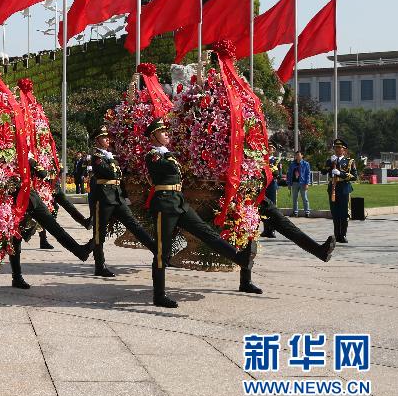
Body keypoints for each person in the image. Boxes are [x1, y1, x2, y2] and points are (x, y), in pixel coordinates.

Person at [145, 118, 254, 308]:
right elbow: (166, 168)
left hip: (178, 201)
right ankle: (159, 295)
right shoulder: (153, 155)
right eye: (162, 132)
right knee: (163, 251)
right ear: (153, 137)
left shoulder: (166, 154)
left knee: (205, 232)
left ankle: (239, 257)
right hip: (164, 204)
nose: (167, 134)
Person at [8, 156, 94, 289]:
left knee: (53, 226)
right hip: (16, 199)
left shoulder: (22, 150)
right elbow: (42, 173)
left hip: (29, 196)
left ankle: (80, 250)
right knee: (16, 238)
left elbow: (42, 173)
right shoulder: (14, 152)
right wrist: (31, 161)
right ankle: (16, 277)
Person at [87, 125, 156, 278]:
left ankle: (157, 251)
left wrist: (125, 195)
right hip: (103, 198)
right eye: (104, 138)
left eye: (108, 137)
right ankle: (99, 265)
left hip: (116, 197)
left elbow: (119, 177)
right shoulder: (97, 156)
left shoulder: (109, 156)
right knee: (100, 233)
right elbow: (111, 172)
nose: (107, 140)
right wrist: (113, 163)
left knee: (134, 224)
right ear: (97, 140)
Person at [322, 139, 357, 244]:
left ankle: (343, 234)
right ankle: (337, 234)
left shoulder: (350, 161)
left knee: (344, 213)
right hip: (333, 188)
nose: (336, 150)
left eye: (339, 148)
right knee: (335, 212)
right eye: (335, 148)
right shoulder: (331, 160)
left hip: (344, 188)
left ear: (344, 150)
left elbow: (354, 177)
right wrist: (331, 164)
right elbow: (323, 171)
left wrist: (341, 173)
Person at [260, 156, 280, 238]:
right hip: (264, 185)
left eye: (272, 148)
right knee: (264, 207)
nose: (270, 149)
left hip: (272, 185)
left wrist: (274, 171)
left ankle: (272, 230)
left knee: (272, 207)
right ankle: (266, 229)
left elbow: (279, 174)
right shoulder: (263, 159)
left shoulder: (275, 160)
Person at [287, 151, 311, 218]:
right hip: (294, 183)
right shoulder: (292, 164)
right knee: (294, 198)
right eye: (296, 155)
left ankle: (307, 212)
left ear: (302, 156)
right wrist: (289, 183)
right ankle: (295, 212)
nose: (297, 156)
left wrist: (307, 183)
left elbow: (308, 174)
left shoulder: (306, 164)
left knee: (304, 198)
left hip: (302, 183)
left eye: (299, 155)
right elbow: (289, 174)